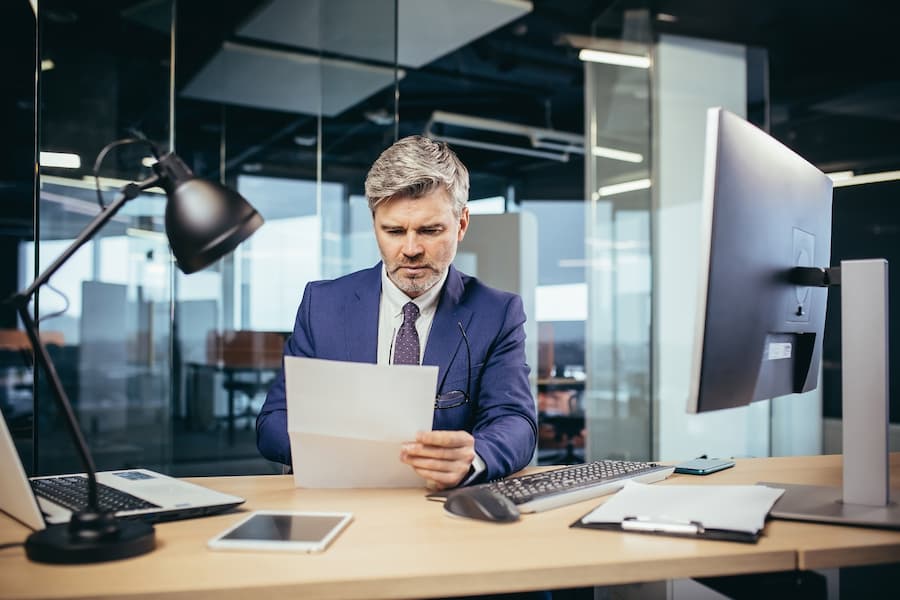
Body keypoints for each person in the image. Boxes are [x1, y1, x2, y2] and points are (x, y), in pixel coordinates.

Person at [256, 135, 537, 490]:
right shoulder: (322, 304)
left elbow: (515, 422)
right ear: (374, 224)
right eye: (393, 230)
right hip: (341, 501)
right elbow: (273, 422)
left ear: (462, 224)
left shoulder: (496, 312)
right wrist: (344, 452)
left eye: (430, 230)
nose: (411, 249)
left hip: (441, 510)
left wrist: (473, 456)